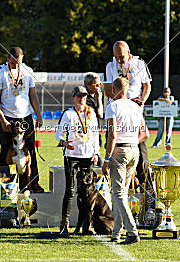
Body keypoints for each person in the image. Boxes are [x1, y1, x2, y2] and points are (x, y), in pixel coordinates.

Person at [102, 77, 149, 244]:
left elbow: (112, 135)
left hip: (119, 150)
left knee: (119, 193)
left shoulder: (112, 106)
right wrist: (131, 143)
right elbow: (145, 133)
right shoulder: (136, 106)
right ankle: (116, 233)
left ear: (114, 90)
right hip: (134, 150)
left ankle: (132, 231)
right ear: (127, 89)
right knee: (120, 193)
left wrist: (106, 158)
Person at [0, 46, 44, 193]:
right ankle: (4, 184)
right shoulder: (0, 73)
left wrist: (38, 116)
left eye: (19, 63)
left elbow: (33, 96)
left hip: (25, 117)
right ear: (8, 58)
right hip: (7, 117)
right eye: (13, 63)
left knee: (31, 151)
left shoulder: (28, 71)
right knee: (5, 150)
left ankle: (33, 183)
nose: (16, 66)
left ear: (23, 58)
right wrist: (2, 120)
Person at [105, 40, 151, 185]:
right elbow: (107, 90)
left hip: (135, 109)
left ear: (129, 53)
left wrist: (141, 102)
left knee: (141, 145)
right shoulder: (110, 66)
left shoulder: (139, 64)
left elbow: (147, 86)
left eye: (122, 57)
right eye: (116, 56)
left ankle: (144, 183)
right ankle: (115, 181)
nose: (119, 60)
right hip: (118, 109)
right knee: (112, 140)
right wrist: (122, 100)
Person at [56, 86, 101, 234]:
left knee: (86, 192)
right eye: (79, 96)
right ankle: (64, 224)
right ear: (74, 97)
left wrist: (96, 153)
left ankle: (86, 225)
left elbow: (95, 136)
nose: (82, 98)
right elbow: (59, 134)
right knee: (70, 190)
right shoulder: (68, 114)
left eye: (84, 95)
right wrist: (64, 142)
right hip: (72, 156)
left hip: (87, 157)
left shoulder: (91, 113)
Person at [83, 72, 103, 150]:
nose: (98, 87)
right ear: (88, 85)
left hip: (95, 131)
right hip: (87, 133)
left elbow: (101, 115)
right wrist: (99, 99)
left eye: (99, 84)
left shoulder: (96, 95)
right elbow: (100, 114)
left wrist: (98, 98)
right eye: (96, 85)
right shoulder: (84, 98)